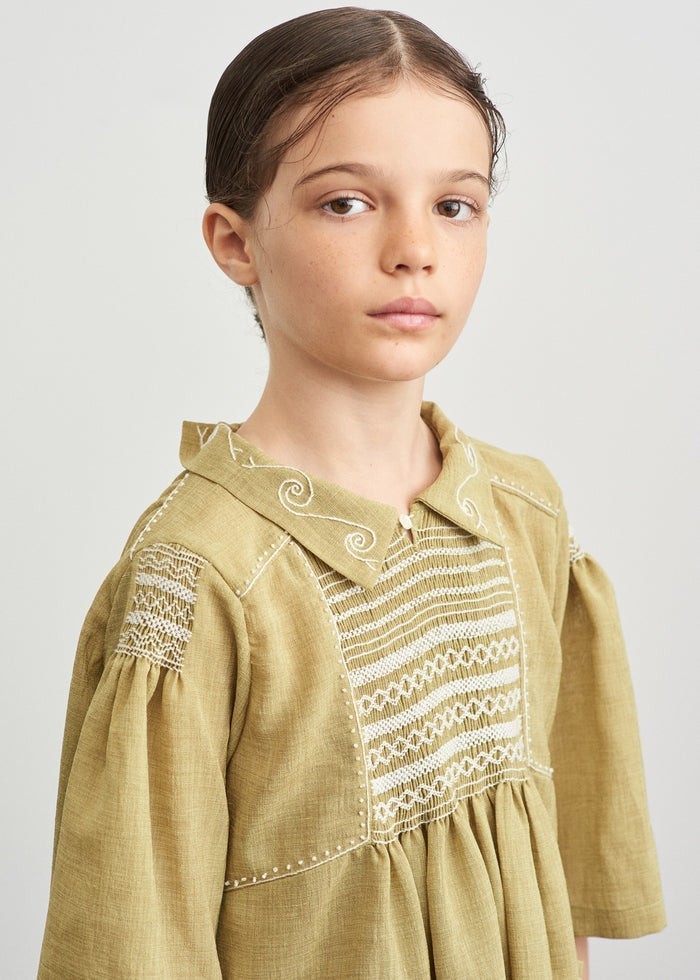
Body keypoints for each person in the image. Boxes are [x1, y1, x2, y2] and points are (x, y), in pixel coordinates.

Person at [38, 7, 665, 978]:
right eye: (345, 203)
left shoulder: (526, 514)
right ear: (235, 242)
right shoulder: (197, 576)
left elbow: (561, 880)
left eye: (454, 205)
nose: (414, 247)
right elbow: (133, 943)